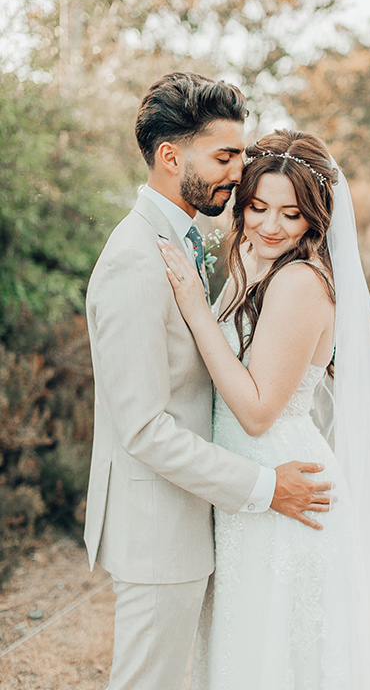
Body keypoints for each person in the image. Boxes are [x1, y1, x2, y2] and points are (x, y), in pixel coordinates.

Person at [83, 73, 333, 690]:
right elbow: (143, 426)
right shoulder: (135, 260)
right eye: (225, 157)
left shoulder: (191, 243)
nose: (237, 173)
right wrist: (261, 487)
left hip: (208, 519)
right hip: (160, 529)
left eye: (240, 156)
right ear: (172, 157)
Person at [160, 129, 370, 688]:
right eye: (258, 207)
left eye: (291, 214)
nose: (270, 226)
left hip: (287, 490)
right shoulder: (250, 258)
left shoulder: (302, 282)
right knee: (244, 650)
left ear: (315, 218)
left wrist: (194, 306)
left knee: (275, 656)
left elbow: (257, 410)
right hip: (248, 484)